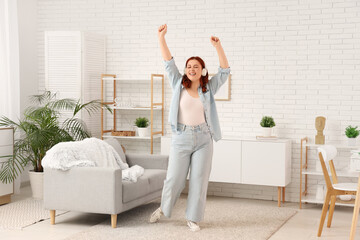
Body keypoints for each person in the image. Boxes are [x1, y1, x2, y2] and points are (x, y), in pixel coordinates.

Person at [149, 24, 230, 232]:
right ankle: (164, 209)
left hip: (203, 138)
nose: (191, 69)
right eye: (188, 66)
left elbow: (224, 71)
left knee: (199, 181)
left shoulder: (208, 88)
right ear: (185, 70)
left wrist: (218, 47)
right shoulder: (178, 83)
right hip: (181, 137)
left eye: (195, 66)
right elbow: (168, 62)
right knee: (174, 178)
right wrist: (161, 38)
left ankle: (193, 218)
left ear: (202, 70)